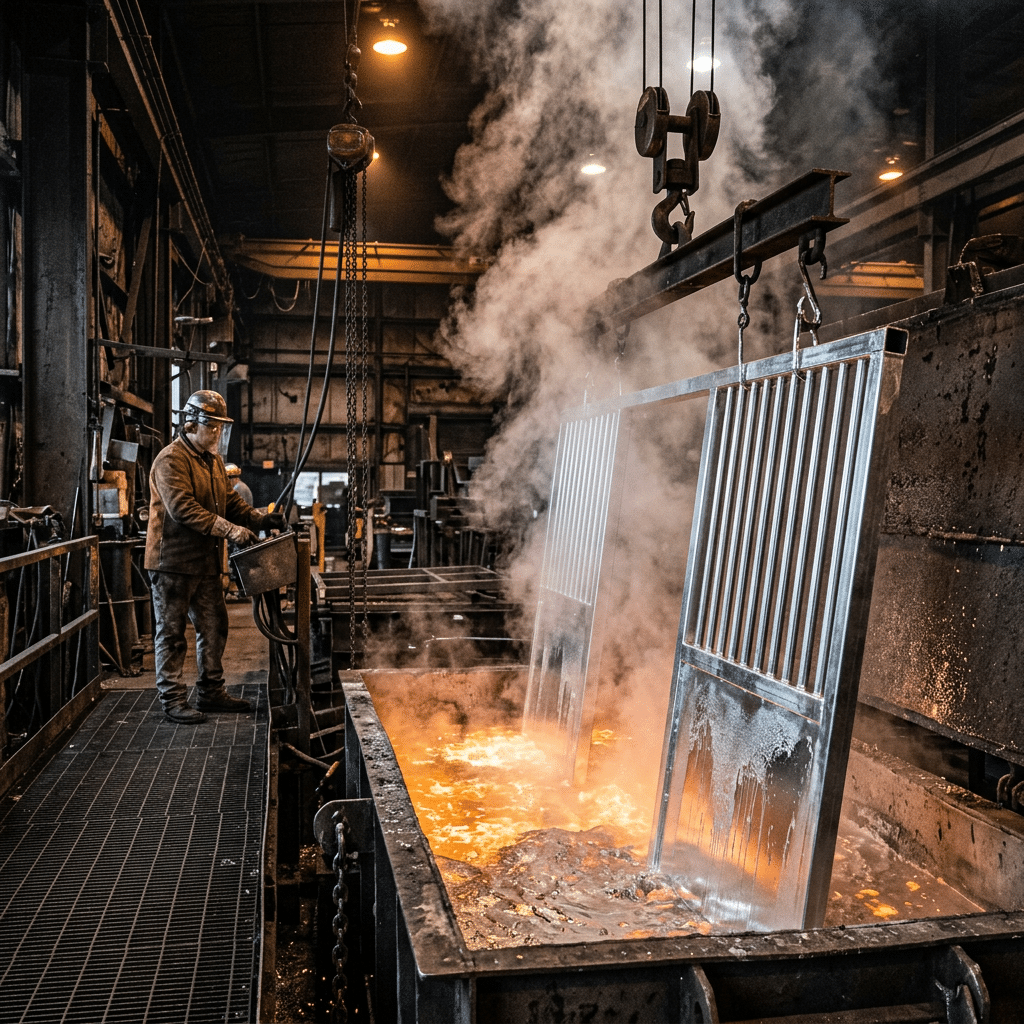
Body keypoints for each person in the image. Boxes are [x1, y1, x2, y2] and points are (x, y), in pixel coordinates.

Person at [145, 389, 286, 723]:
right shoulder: (171, 460)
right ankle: (173, 699)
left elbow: (230, 501)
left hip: (205, 564)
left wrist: (259, 519)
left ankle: (211, 692)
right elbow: (182, 509)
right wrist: (229, 530)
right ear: (192, 422)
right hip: (173, 565)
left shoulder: (212, 462)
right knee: (172, 632)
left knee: (214, 625)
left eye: (221, 427)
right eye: (213, 426)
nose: (217, 433)